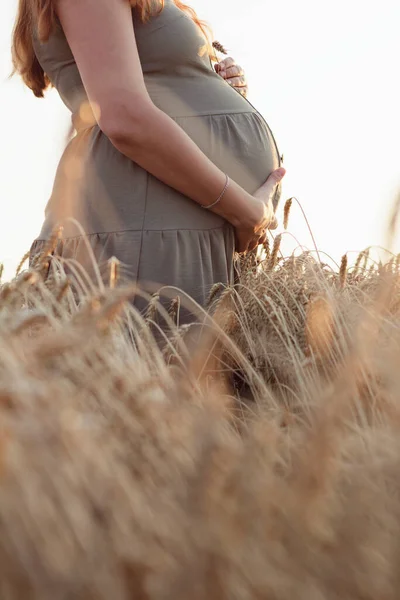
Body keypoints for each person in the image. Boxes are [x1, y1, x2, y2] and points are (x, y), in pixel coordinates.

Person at [12, 0, 285, 324]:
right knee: (155, 366)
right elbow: (124, 116)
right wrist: (245, 211)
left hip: (179, 217)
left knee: (194, 369)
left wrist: (205, 79)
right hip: (149, 221)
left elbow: (142, 85)